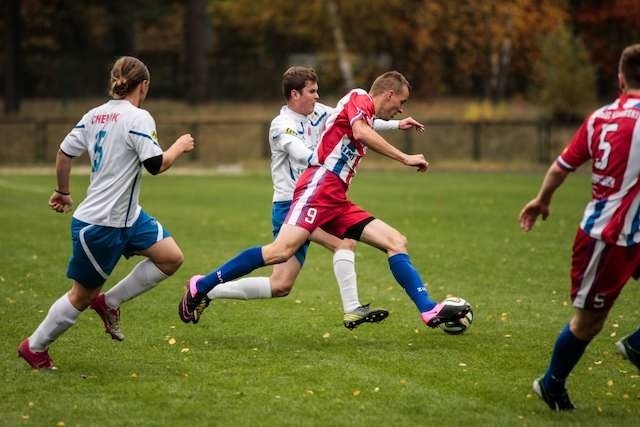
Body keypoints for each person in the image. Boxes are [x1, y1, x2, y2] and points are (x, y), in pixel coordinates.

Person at [179, 70, 470, 329]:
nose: (400, 108)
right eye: (401, 102)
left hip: (336, 197)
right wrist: (404, 157)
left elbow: (360, 124)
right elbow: (359, 130)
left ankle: (428, 309)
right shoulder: (357, 97)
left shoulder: (354, 112)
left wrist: (396, 125)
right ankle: (201, 286)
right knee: (280, 252)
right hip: (317, 187)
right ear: (389, 93)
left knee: (396, 242)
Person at [18, 56, 195, 369]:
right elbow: (156, 165)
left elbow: (63, 152)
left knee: (170, 258)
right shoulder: (138, 117)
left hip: (129, 217)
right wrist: (179, 146)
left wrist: (62, 191)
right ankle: (35, 346)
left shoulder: (94, 115)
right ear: (144, 86)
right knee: (81, 296)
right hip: (101, 225)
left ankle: (110, 302)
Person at [519, 43, 640, 411]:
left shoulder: (600, 117)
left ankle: (636, 345)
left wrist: (542, 199)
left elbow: (560, 166)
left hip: (629, 232)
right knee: (589, 323)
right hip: (608, 239)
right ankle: (551, 383)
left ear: (620, 79)